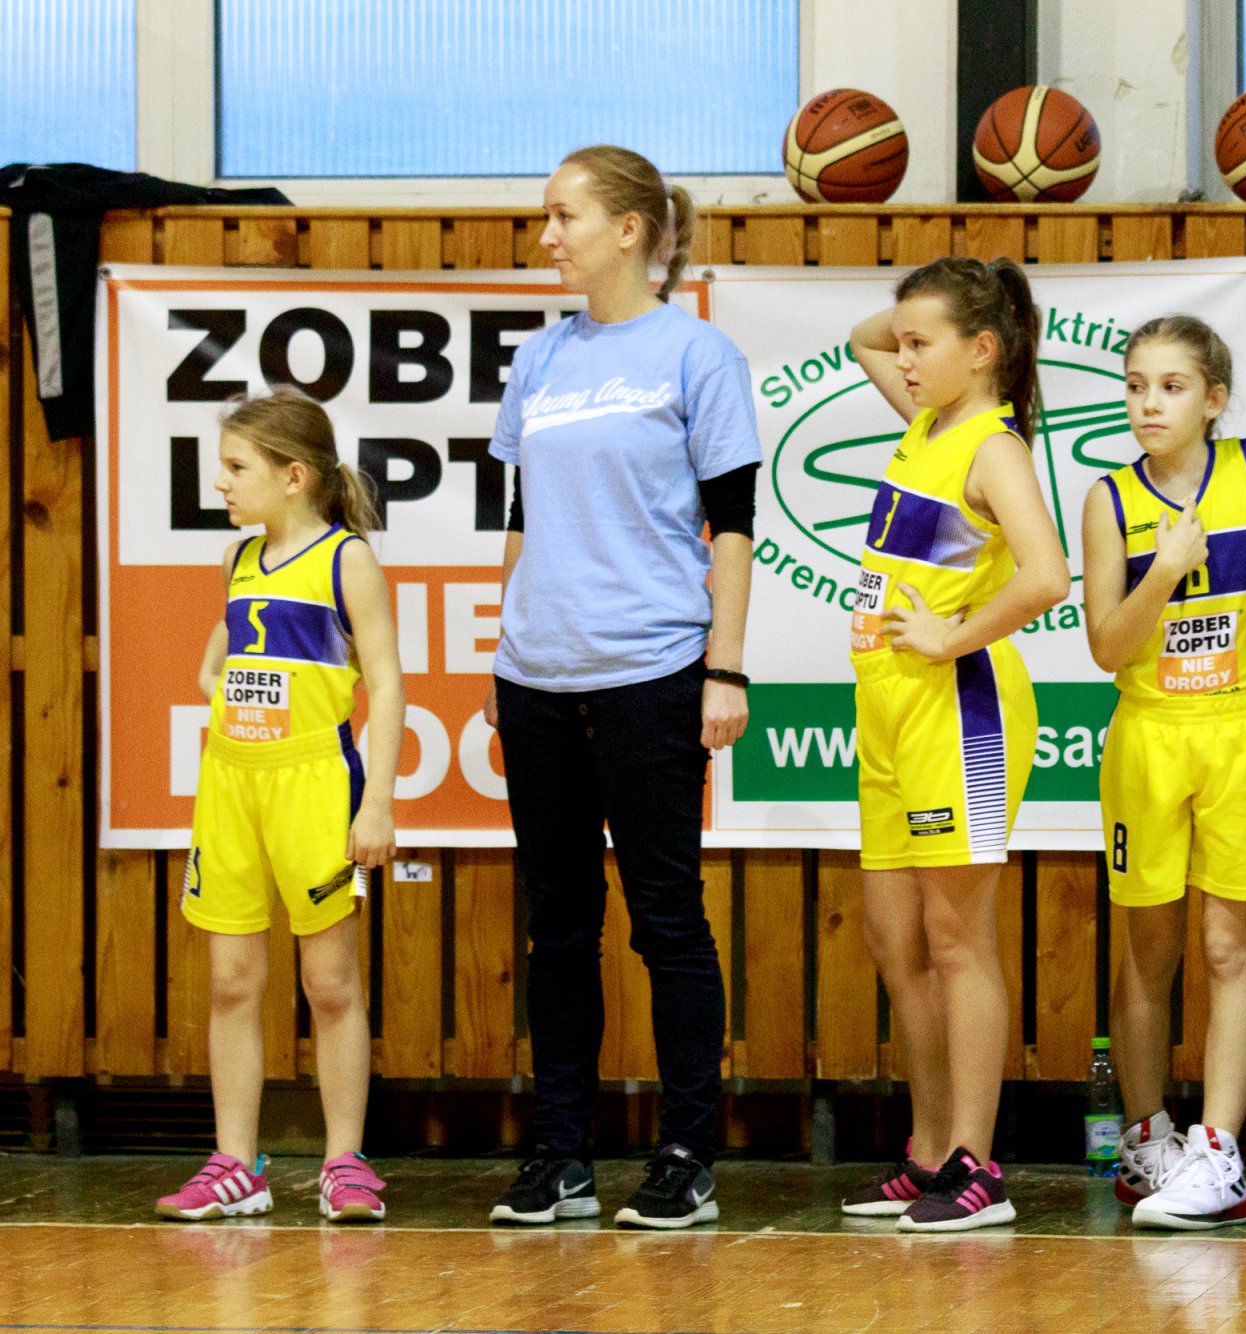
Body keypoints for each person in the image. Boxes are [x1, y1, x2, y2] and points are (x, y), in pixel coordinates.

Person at [484, 145, 759, 1230]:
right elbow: (521, 515)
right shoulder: (540, 358)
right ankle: (560, 1155)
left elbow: (733, 526)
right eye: (545, 216)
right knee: (558, 926)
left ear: (631, 229)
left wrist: (724, 665)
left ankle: (686, 1153)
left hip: (653, 669)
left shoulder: (697, 354)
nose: (547, 235)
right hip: (536, 676)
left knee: (665, 919)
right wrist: (504, 640)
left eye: (566, 215)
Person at [840, 257, 1069, 1232]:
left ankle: (977, 1164)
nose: (899, 357)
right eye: (903, 344)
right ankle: (929, 1151)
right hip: (886, 704)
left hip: (959, 706)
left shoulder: (991, 445)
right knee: (895, 940)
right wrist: (940, 303)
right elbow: (862, 337)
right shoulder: (926, 420)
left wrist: (954, 635)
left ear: (980, 351)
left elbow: (1047, 574)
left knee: (954, 938)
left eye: (921, 343)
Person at [1079, 315, 1246, 1229]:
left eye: (1171, 387)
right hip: (1151, 732)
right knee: (1150, 949)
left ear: (1214, 399)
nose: (1149, 403)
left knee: (1228, 947)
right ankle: (1148, 1140)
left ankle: (1217, 1151)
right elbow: (1107, 645)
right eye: (1136, 386)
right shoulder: (1107, 499)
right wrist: (1165, 571)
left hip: (1245, 730)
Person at [156, 388, 402, 1224]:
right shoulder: (239, 559)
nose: (220, 482)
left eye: (236, 467)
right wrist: (232, 694)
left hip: (313, 785)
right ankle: (236, 1165)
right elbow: (219, 663)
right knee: (232, 981)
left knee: (328, 981)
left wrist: (377, 804)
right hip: (232, 783)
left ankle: (344, 1161)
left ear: (294, 476)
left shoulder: (346, 560)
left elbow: (387, 685)